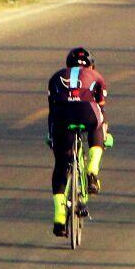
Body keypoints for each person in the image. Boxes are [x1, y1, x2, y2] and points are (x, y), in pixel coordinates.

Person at [46, 46, 110, 236]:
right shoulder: (96, 76)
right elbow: (101, 106)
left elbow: (52, 110)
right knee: (97, 125)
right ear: (90, 66)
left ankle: (59, 215)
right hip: (87, 112)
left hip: (61, 116)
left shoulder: (55, 77)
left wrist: (52, 136)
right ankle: (92, 170)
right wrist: (105, 135)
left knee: (61, 163)